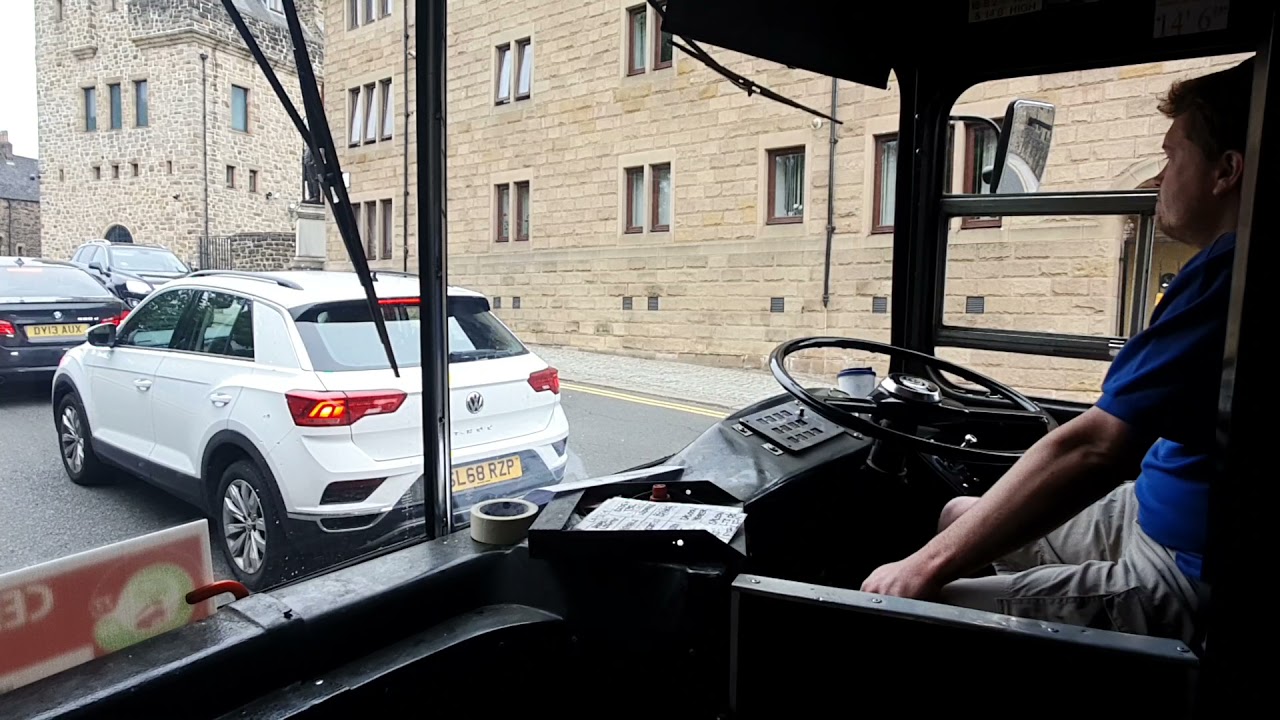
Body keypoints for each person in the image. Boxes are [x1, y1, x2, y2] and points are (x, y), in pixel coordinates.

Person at [861, 57, 1253, 645]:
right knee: (955, 517)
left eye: (1172, 158)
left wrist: (920, 569)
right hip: (1151, 508)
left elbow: (1099, 446)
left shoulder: (1228, 276)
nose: (1158, 179)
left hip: (1182, 567)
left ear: (1225, 171)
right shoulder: (1216, 269)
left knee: (922, 604)